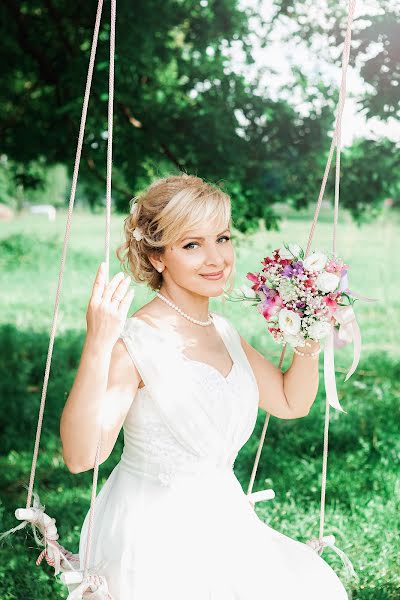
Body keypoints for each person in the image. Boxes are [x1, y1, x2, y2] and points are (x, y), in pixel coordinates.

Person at [60, 174, 349, 599]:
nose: (216, 258)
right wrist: (97, 345)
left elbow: (291, 402)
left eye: (223, 238)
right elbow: (82, 457)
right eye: (191, 244)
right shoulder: (137, 342)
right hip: (153, 531)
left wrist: (307, 330)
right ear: (158, 258)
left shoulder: (223, 331)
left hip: (221, 517)